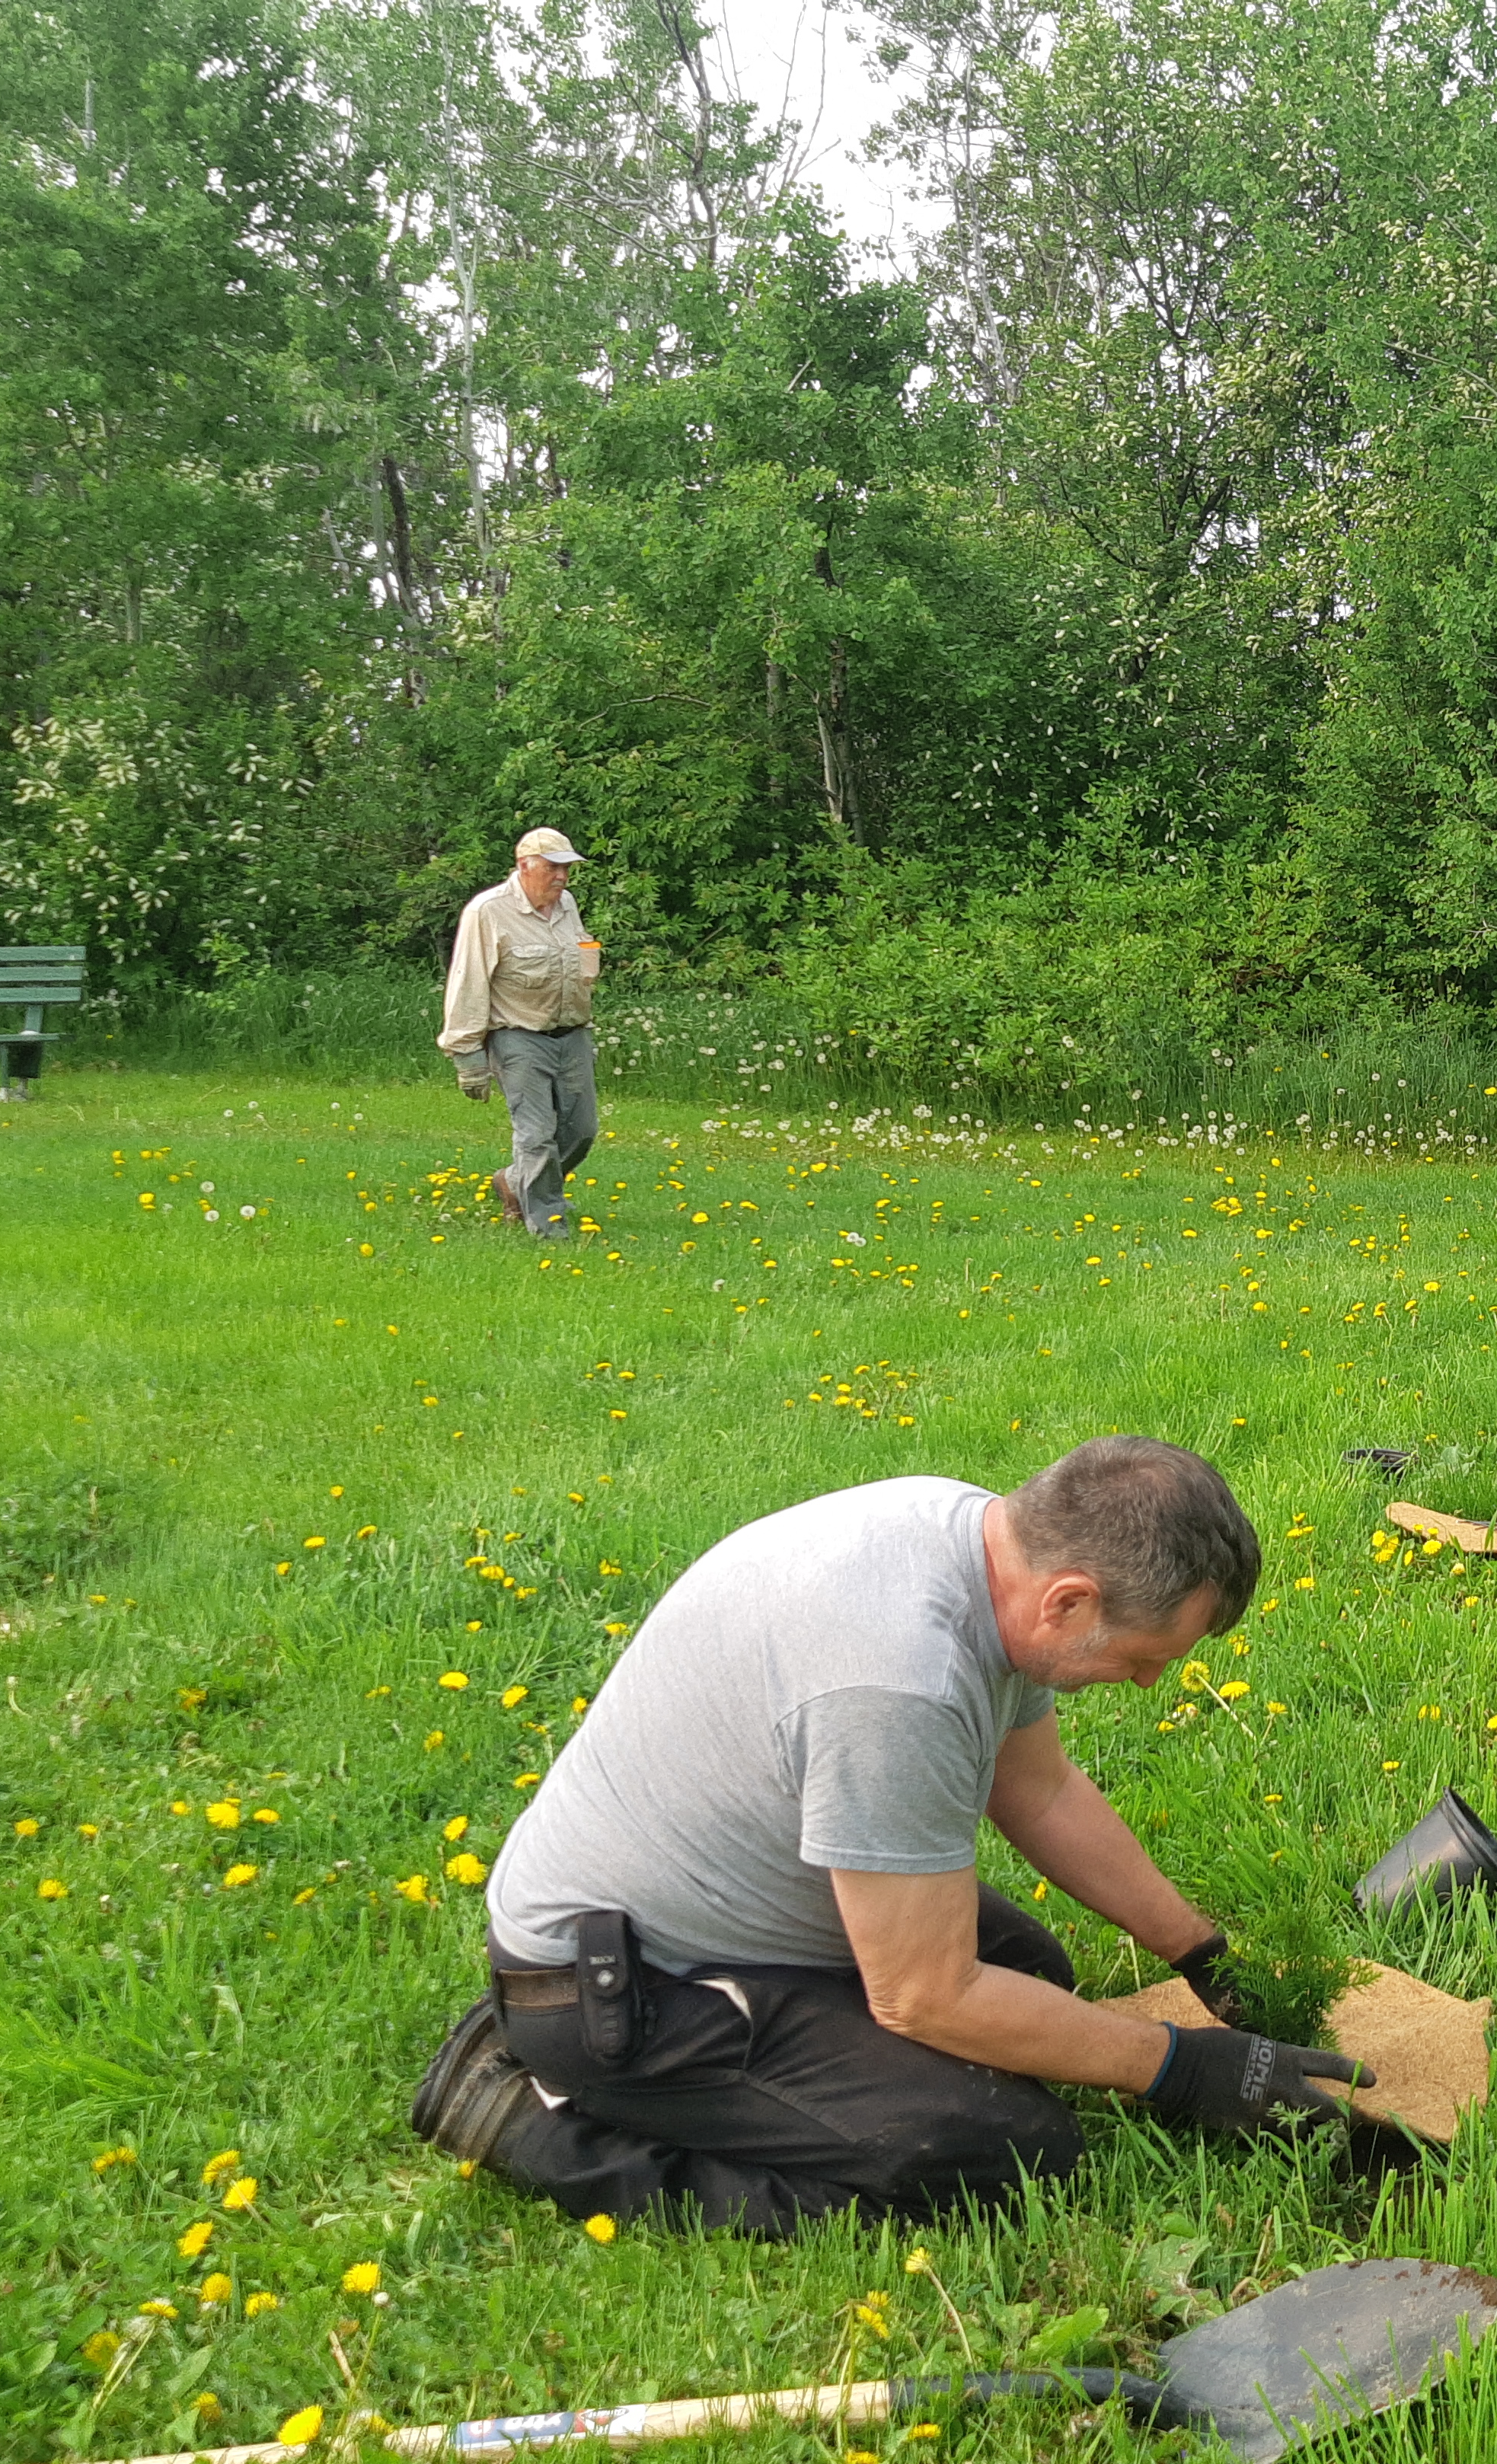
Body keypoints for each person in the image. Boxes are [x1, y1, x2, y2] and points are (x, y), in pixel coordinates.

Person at [407, 1438, 1367, 2235]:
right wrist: (1178, 2067)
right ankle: (524, 2119)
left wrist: (1197, 1950)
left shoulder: (982, 1545)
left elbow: (1040, 1793)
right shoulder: (894, 1679)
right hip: (618, 1995)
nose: (1151, 1683)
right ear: (1071, 1601)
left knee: (1034, 1977)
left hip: (738, 1909)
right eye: (1145, 1658)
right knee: (998, 2153)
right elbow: (924, 1995)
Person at [437, 828, 600, 1239]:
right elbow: (468, 981)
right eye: (552, 867)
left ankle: (513, 1181)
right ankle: (548, 1224)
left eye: (566, 868)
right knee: (536, 1135)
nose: (562, 877)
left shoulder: (567, 905)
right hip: (517, 1035)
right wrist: (467, 1055)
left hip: (572, 1033)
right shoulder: (487, 911)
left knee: (581, 1132)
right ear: (524, 865)